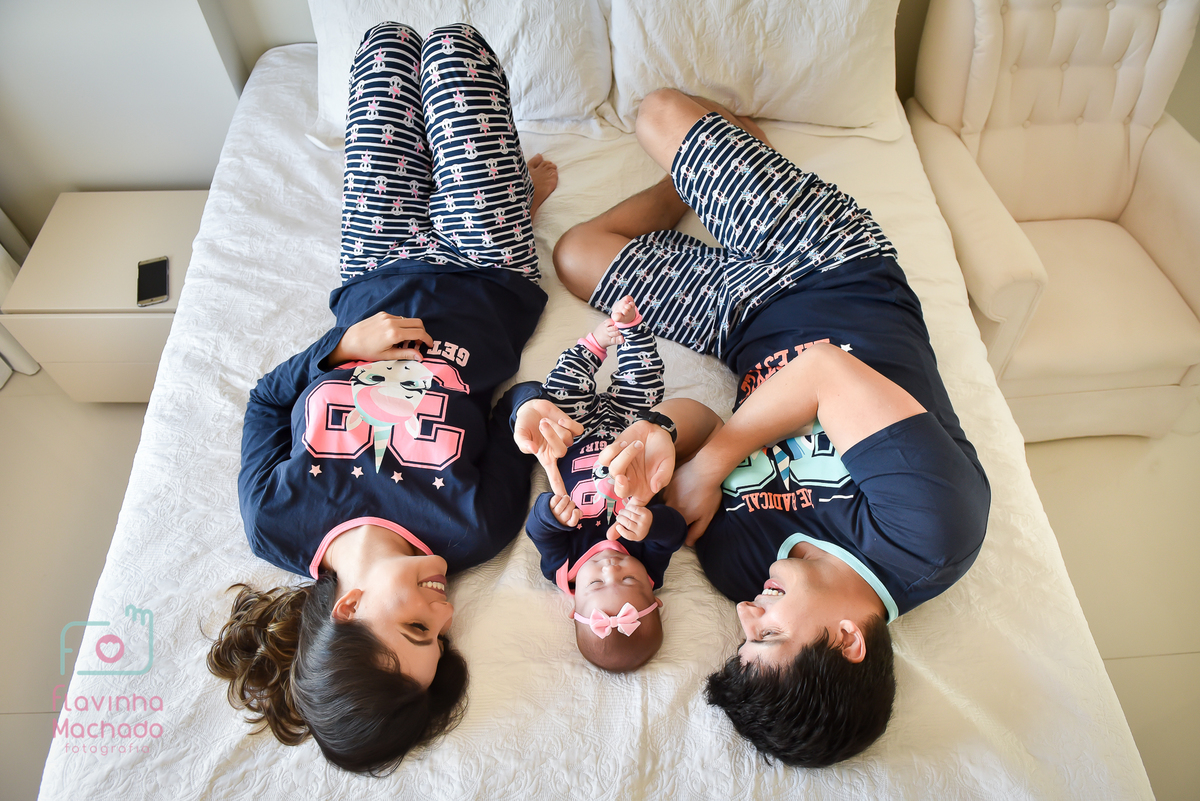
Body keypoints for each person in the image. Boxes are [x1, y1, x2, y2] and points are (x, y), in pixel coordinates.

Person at [553, 89, 991, 767]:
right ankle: (732, 159)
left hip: (738, 326)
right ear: (848, 639)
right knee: (657, 114)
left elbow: (704, 420)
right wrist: (708, 466)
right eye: (768, 636)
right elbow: (823, 369)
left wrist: (662, 436)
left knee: (576, 254)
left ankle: (695, 183)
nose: (745, 615)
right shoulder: (930, 533)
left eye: (743, 637)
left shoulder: (742, 571)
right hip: (828, 267)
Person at [207, 22, 580, 775]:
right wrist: (535, 411)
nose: (445, 612)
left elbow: (266, 403)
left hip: (372, 269)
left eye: (416, 628)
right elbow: (514, 406)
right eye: (441, 638)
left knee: (383, 49)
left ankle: (518, 195)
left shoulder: (275, 519)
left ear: (347, 608)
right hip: (487, 276)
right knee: (456, 51)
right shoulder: (475, 530)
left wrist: (340, 349)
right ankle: (514, 207)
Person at [523, 296, 686, 672]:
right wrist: (652, 524)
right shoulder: (648, 563)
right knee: (645, 389)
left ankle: (594, 344)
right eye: (629, 579)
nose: (611, 569)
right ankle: (632, 332)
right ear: (653, 592)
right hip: (632, 435)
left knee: (559, 392)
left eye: (596, 584)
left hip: (573, 435)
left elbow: (539, 533)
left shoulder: (562, 569)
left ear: (574, 603)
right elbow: (674, 534)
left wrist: (550, 516)